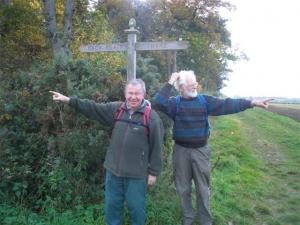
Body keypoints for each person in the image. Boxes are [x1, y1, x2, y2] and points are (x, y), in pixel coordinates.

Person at [154, 71, 272, 225]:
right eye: (191, 84)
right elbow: (158, 102)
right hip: (181, 151)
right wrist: (170, 81)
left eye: (195, 83)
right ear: (181, 87)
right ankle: (187, 219)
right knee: (183, 189)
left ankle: (205, 221)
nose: (195, 86)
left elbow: (227, 104)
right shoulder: (174, 104)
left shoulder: (204, 101)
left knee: (203, 189)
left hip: (200, 152)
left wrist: (251, 103)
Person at [50, 79, 164, 225]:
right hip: (113, 172)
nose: (133, 97)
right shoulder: (117, 109)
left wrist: (153, 172)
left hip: (137, 175)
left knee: (137, 210)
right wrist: (68, 100)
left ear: (144, 94)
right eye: (130, 93)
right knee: (112, 209)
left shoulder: (152, 117)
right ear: (125, 94)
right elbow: (93, 108)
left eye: (137, 93)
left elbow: (157, 147)